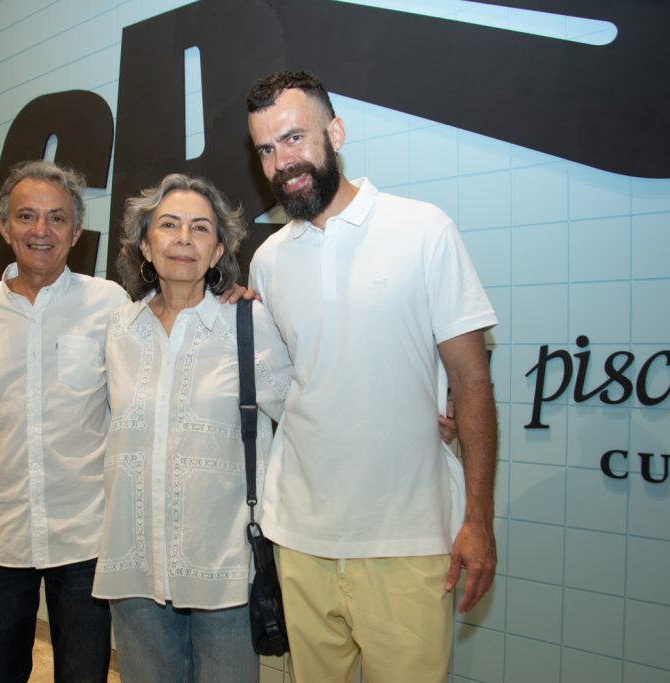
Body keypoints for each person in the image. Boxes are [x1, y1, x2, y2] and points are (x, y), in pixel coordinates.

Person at [245, 71, 499, 682]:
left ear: (335, 132)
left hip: (408, 542)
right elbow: (286, 388)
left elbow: (471, 382)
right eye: (266, 150)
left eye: (295, 138)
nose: (283, 163)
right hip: (299, 540)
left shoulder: (422, 229)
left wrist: (479, 520)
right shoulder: (269, 258)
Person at [0, 160, 127, 682]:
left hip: (85, 538)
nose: (41, 231)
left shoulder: (110, 305)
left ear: (76, 230)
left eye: (56, 218)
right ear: (4, 227)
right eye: (26, 216)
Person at [92, 173, 292, 683]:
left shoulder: (247, 325)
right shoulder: (119, 330)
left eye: (200, 228)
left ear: (219, 248)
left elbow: (305, 412)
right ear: (144, 244)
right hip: (133, 567)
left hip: (221, 569)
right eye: (169, 225)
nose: (184, 238)